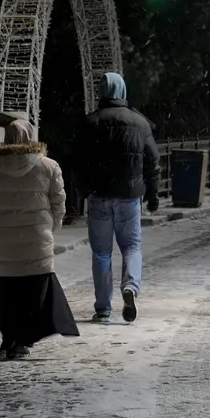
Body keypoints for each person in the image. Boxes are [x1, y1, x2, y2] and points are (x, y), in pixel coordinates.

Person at [0, 116, 80, 358]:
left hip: (3, 239)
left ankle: (9, 337)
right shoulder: (49, 166)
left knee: (7, 290)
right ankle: (23, 339)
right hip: (37, 238)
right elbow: (59, 204)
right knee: (34, 292)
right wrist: (50, 228)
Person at [74, 72, 160, 323]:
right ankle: (130, 286)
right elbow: (153, 162)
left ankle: (103, 307)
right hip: (130, 196)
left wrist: (83, 190)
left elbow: (77, 162)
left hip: (99, 195)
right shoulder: (140, 123)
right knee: (131, 246)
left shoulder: (89, 123)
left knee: (101, 253)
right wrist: (152, 193)